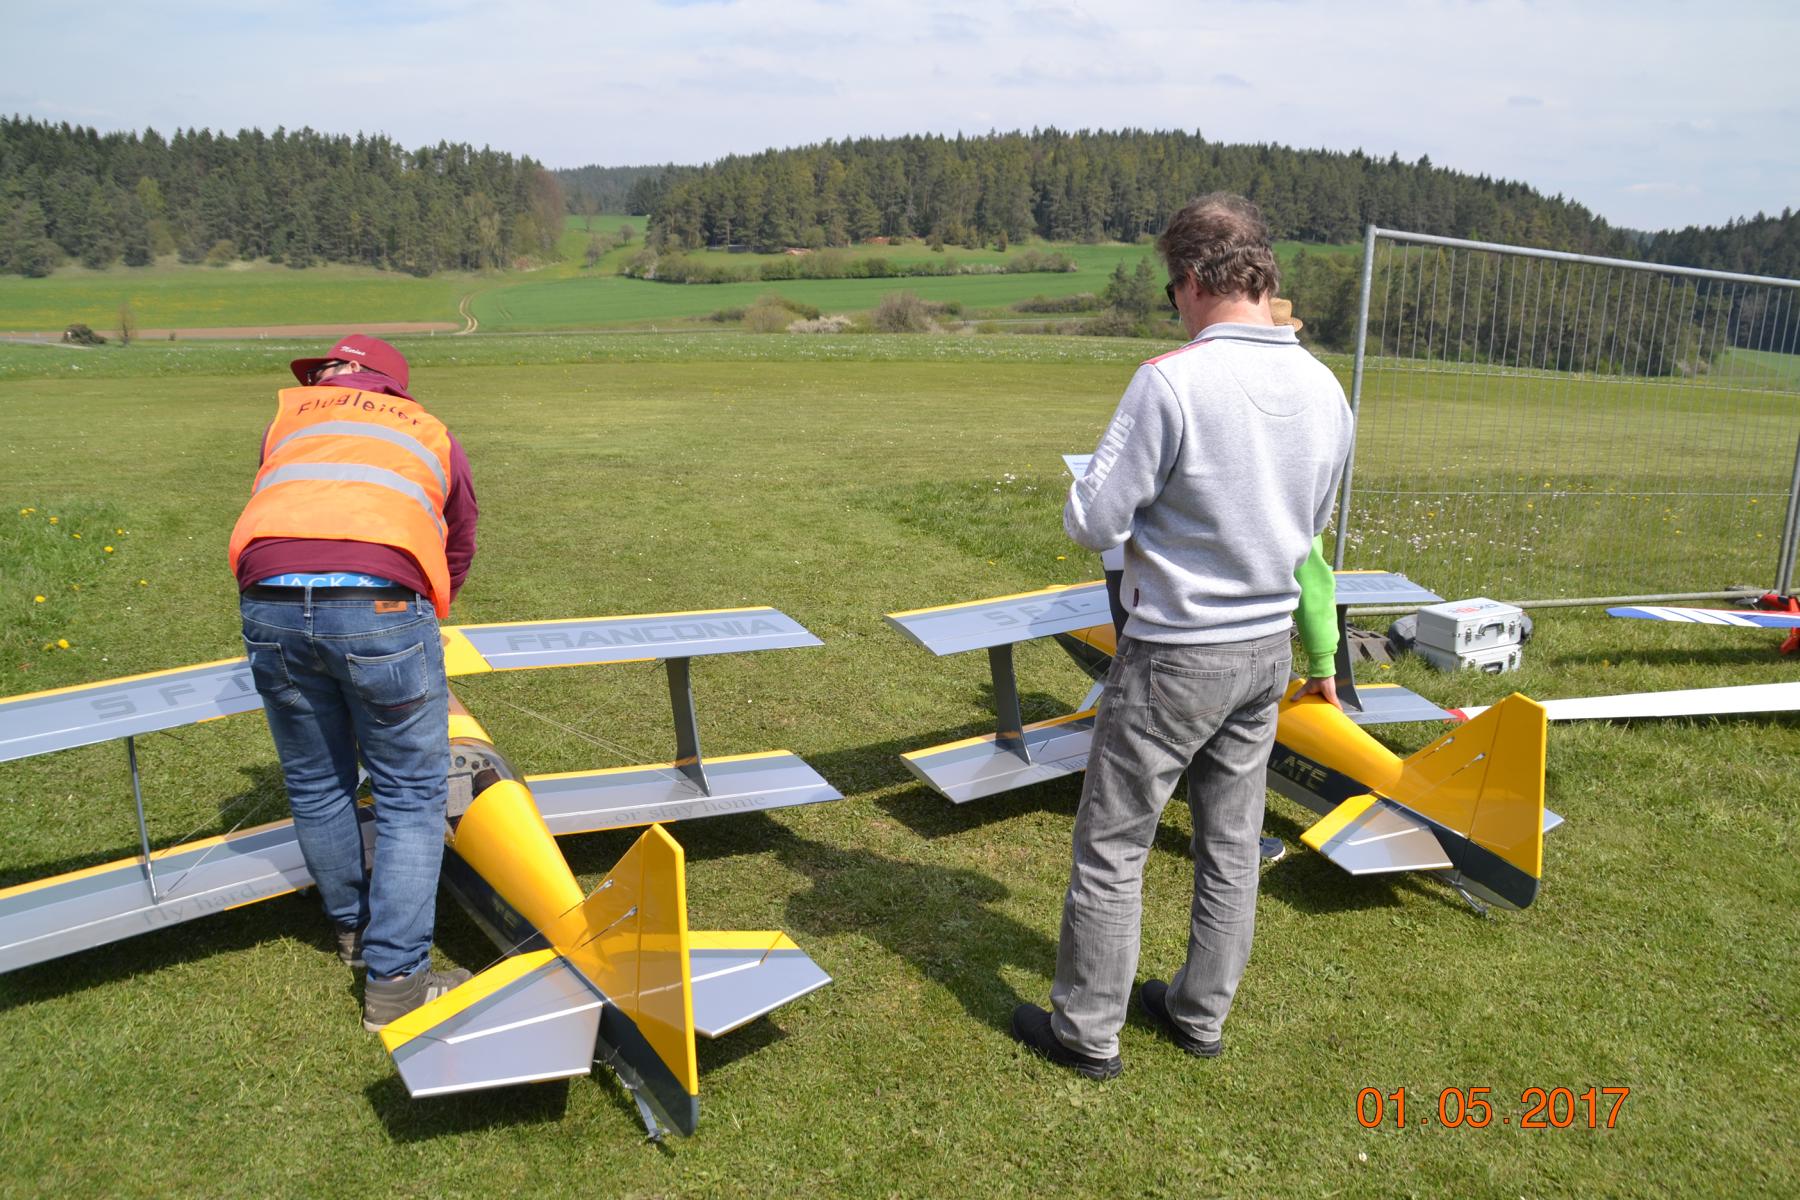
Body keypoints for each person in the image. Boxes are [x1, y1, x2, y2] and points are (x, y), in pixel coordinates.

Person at [1011, 194, 1354, 1078]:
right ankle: (1200, 1014)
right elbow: (1314, 525)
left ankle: (1086, 1032)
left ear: (1195, 280)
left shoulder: (1170, 380)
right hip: (1266, 649)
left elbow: (1093, 521)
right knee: (1231, 846)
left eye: (1173, 292)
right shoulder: (1326, 388)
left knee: (1114, 843)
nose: (1176, 307)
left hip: (1174, 651)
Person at [227, 334, 479, 1031]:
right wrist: (425, 613)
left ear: (338, 375)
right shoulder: (431, 431)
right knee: (410, 794)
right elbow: (460, 534)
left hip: (269, 600)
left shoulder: (289, 419)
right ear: (393, 385)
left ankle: (353, 933)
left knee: (315, 781)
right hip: (382, 604)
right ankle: (397, 981)